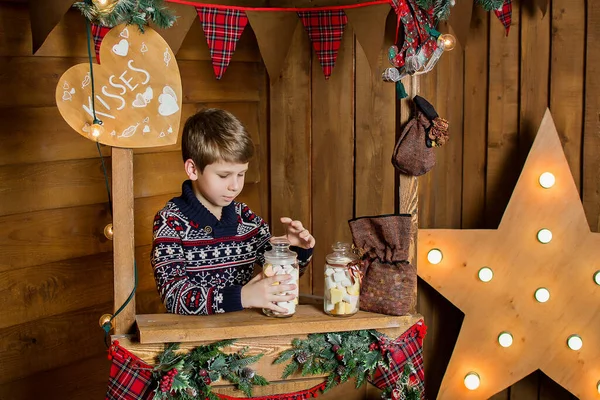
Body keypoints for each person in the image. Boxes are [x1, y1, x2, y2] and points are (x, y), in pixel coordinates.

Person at [151, 108, 315, 315]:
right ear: (193, 169)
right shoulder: (170, 222)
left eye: (241, 174)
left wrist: (291, 251)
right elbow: (173, 296)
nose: (235, 186)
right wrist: (242, 297)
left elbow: (280, 276)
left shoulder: (245, 217)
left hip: (244, 334)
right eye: (224, 175)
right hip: (194, 340)